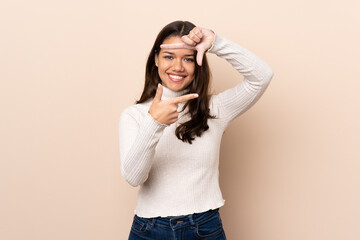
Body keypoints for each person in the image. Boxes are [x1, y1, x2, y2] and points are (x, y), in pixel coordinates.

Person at [118, 20, 274, 239]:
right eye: (169, 56)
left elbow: (262, 76)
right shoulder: (133, 116)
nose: (178, 67)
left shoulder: (216, 109)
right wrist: (154, 124)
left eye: (188, 59)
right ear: (156, 59)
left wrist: (216, 42)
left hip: (203, 227)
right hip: (149, 230)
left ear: (198, 63)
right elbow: (134, 177)